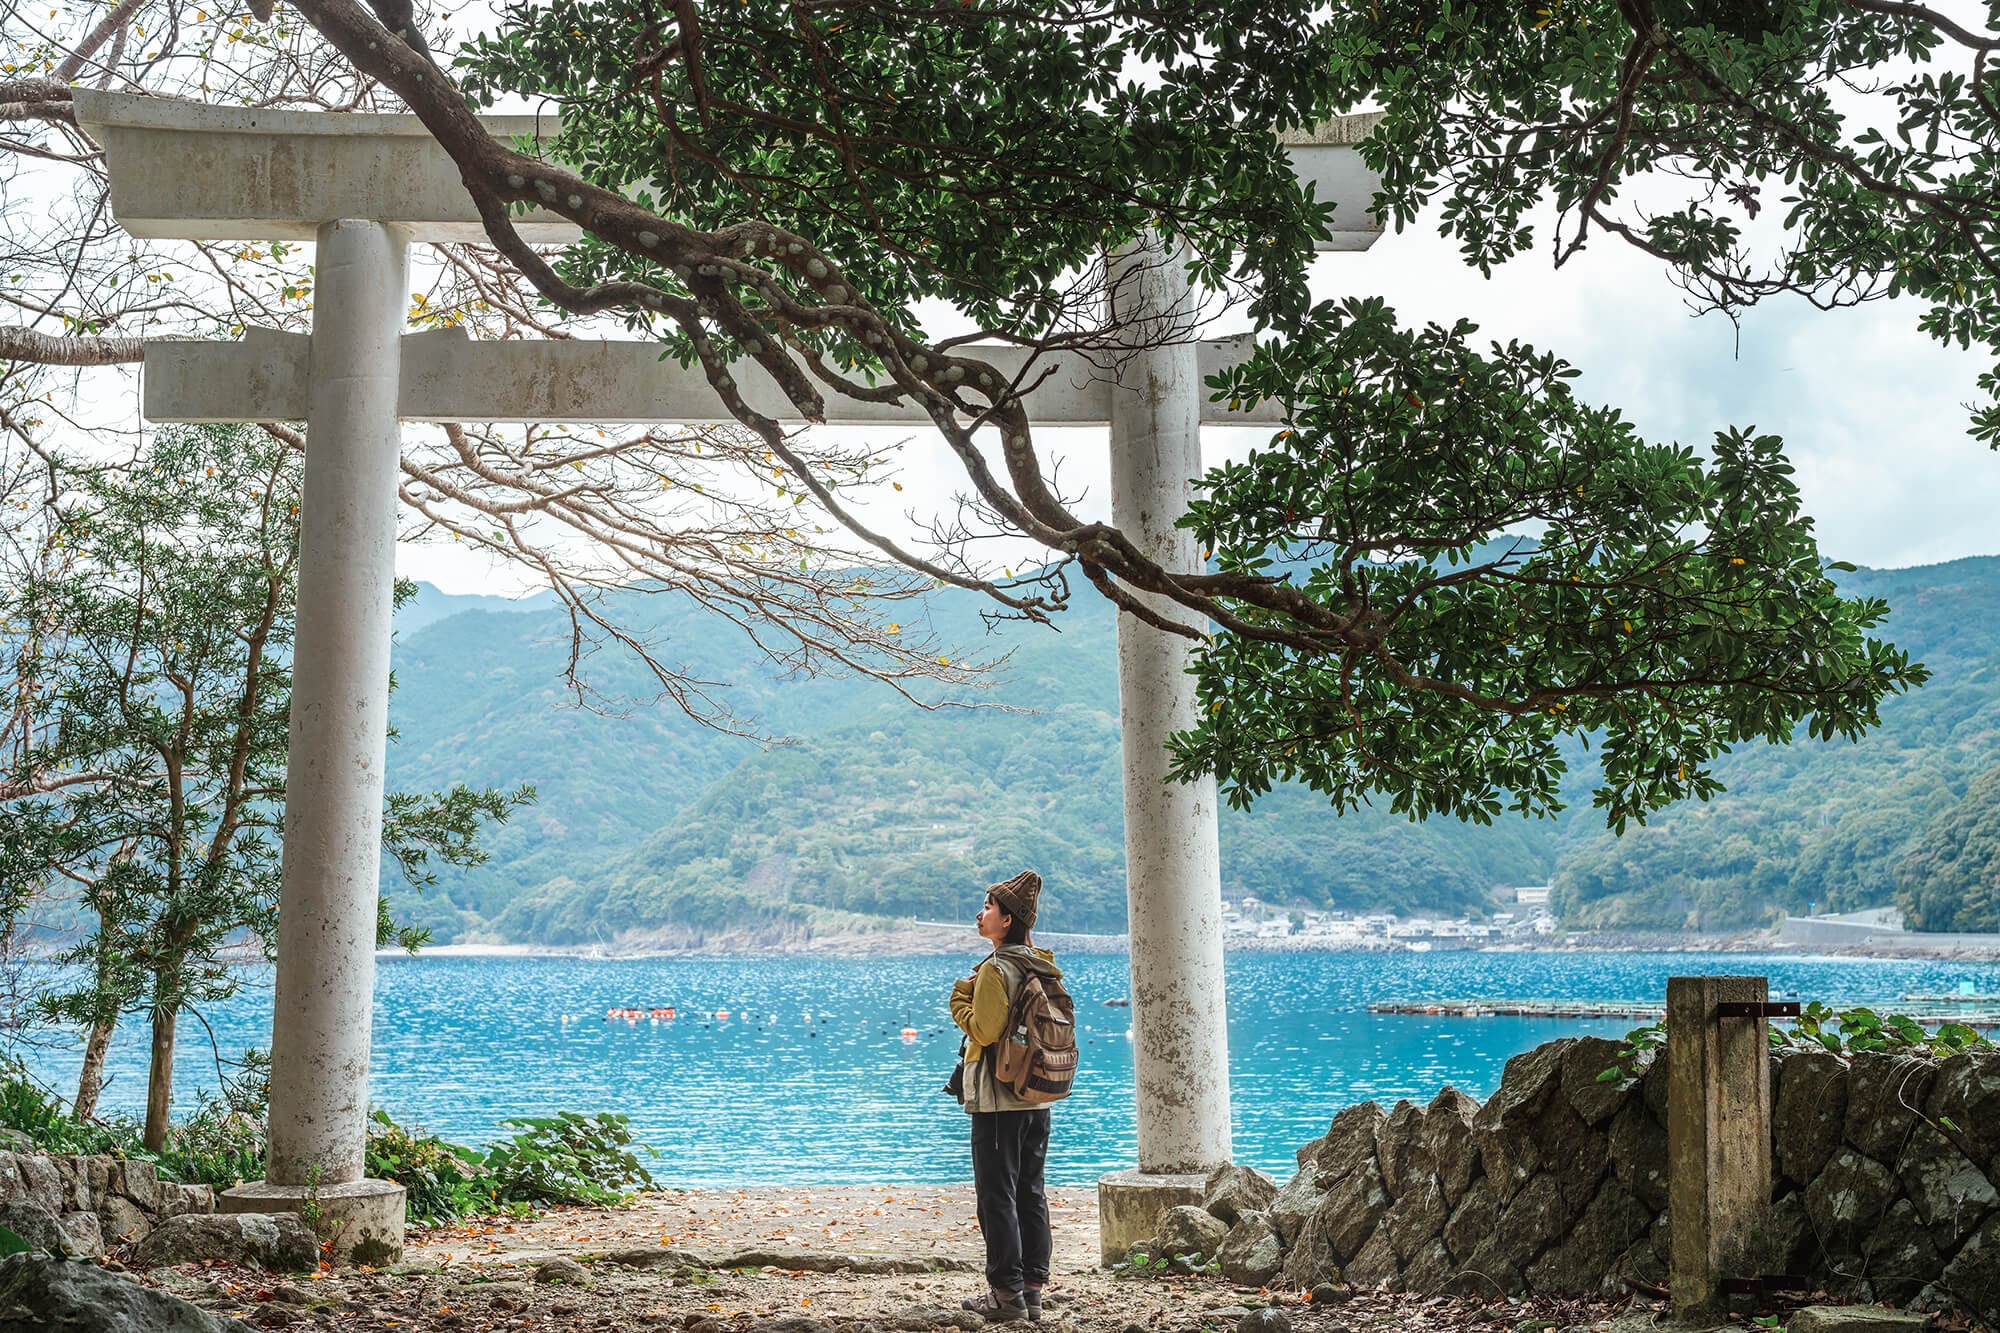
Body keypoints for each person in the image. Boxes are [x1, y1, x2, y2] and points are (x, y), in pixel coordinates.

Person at [948, 870, 1062, 1324]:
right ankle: (1032, 1291)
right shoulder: (1040, 964)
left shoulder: (996, 969)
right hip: (1037, 1097)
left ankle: (1005, 1295)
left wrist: (960, 999)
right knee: (1030, 1192)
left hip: (998, 1101)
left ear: (1008, 919)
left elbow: (984, 1030)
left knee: (996, 1197)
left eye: (988, 908)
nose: (980, 914)